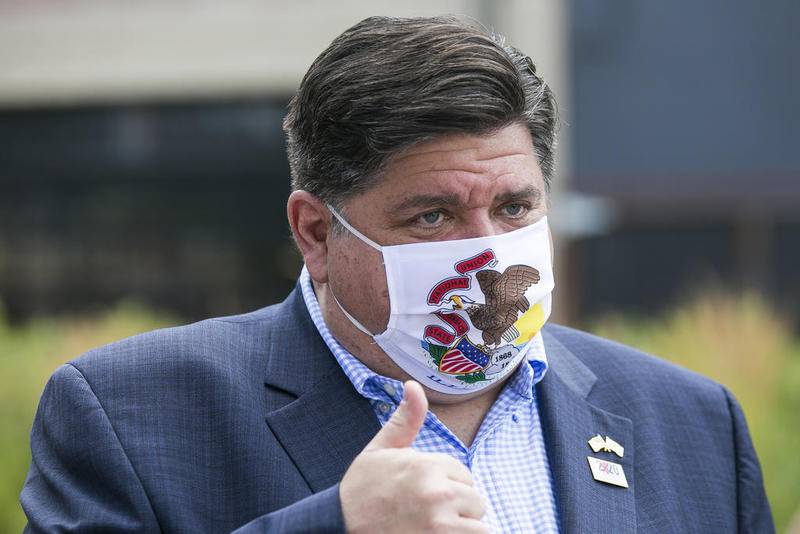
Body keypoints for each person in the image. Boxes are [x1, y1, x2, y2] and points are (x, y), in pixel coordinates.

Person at [21, 15, 773, 534]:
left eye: (514, 207)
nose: (487, 254)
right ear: (316, 232)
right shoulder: (134, 414)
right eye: (432, 218)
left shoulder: (691, 423)